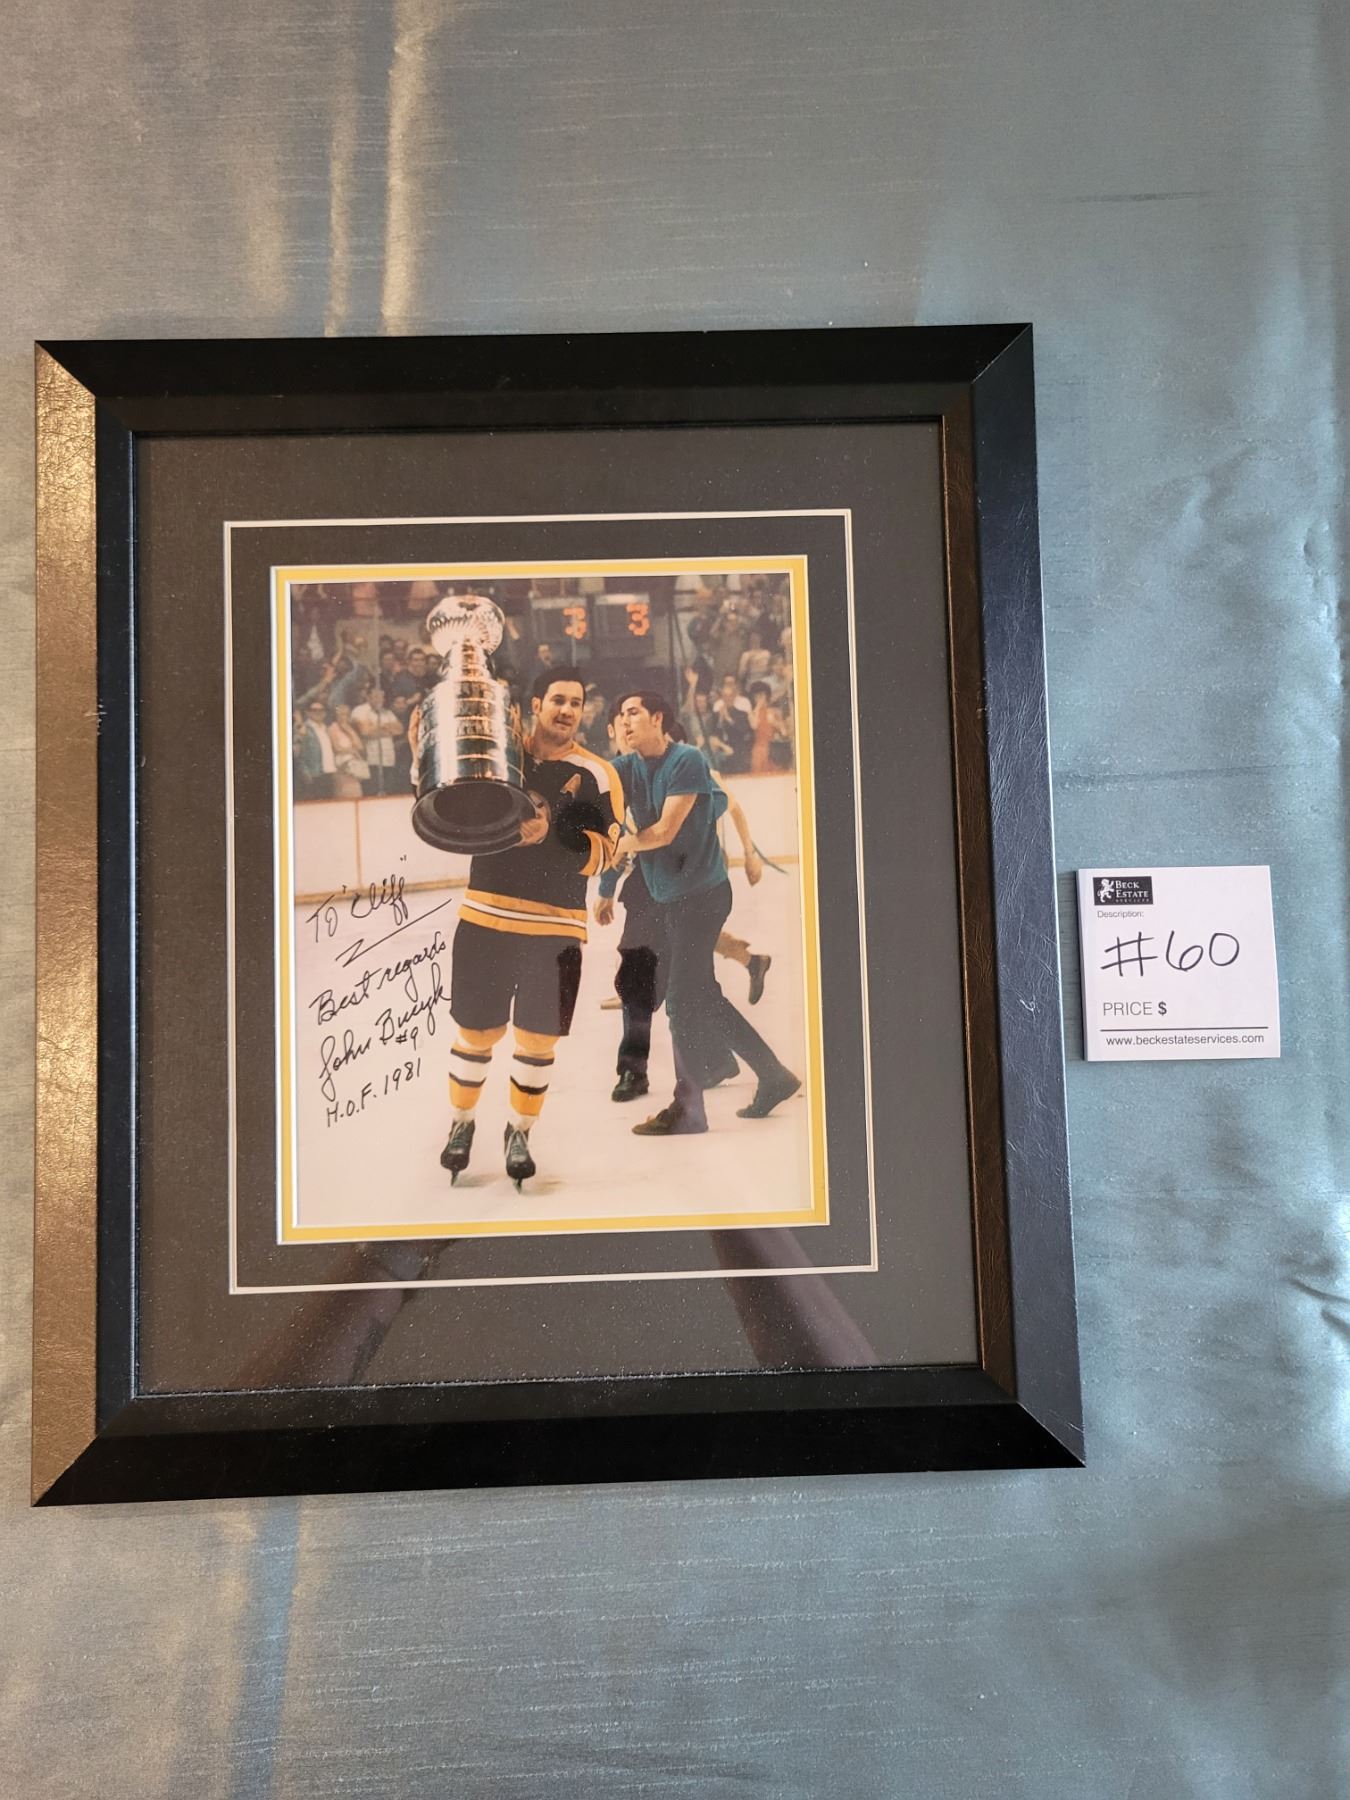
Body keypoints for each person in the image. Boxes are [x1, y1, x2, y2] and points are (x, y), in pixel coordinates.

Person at [436, 670, 622, 1185]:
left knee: (538, 1039)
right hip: (485, 916)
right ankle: (461, 1122)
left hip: (557, 928)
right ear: (535, 704)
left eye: (576, 703)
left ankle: (519, 1131)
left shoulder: (597, 773)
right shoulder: (497, 756)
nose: (567, 710)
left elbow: (607, 853)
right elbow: (448, 802)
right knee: (477, 1031)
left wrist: (550, 835)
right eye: (558, 699)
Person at [610, 692, 799, 1136]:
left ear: (658, 718)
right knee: (702, 996)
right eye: (621, 715)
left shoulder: (687, 760)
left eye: (633, 712)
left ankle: (689, 1109)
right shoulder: (626, 768)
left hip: (702, 898)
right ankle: (773, 1075)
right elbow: (593, 782)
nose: (624, 721)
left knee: (680, 1000)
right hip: (670, 900)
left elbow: (664, 831)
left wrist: (620, 845)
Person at [350, 684, 403, 795]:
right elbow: (365, 732)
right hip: (370, 759)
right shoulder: (360, 710)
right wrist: (387, 728)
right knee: (371, 792)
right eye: (377, 696)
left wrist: (375, 726)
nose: (381, 700)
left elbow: (400, 729)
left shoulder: (387, 712)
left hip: (388, 758)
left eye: (382, 697)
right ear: (368, 697)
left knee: (388, 791)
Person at [296, 699, 337, 800]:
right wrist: (305, 773)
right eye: (314, 710)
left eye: (321, 710)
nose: (318, 712)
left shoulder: (326, 728)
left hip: (328, 773)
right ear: (307, 712)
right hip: (313, 775)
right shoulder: (303, 729)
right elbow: (299, 754)